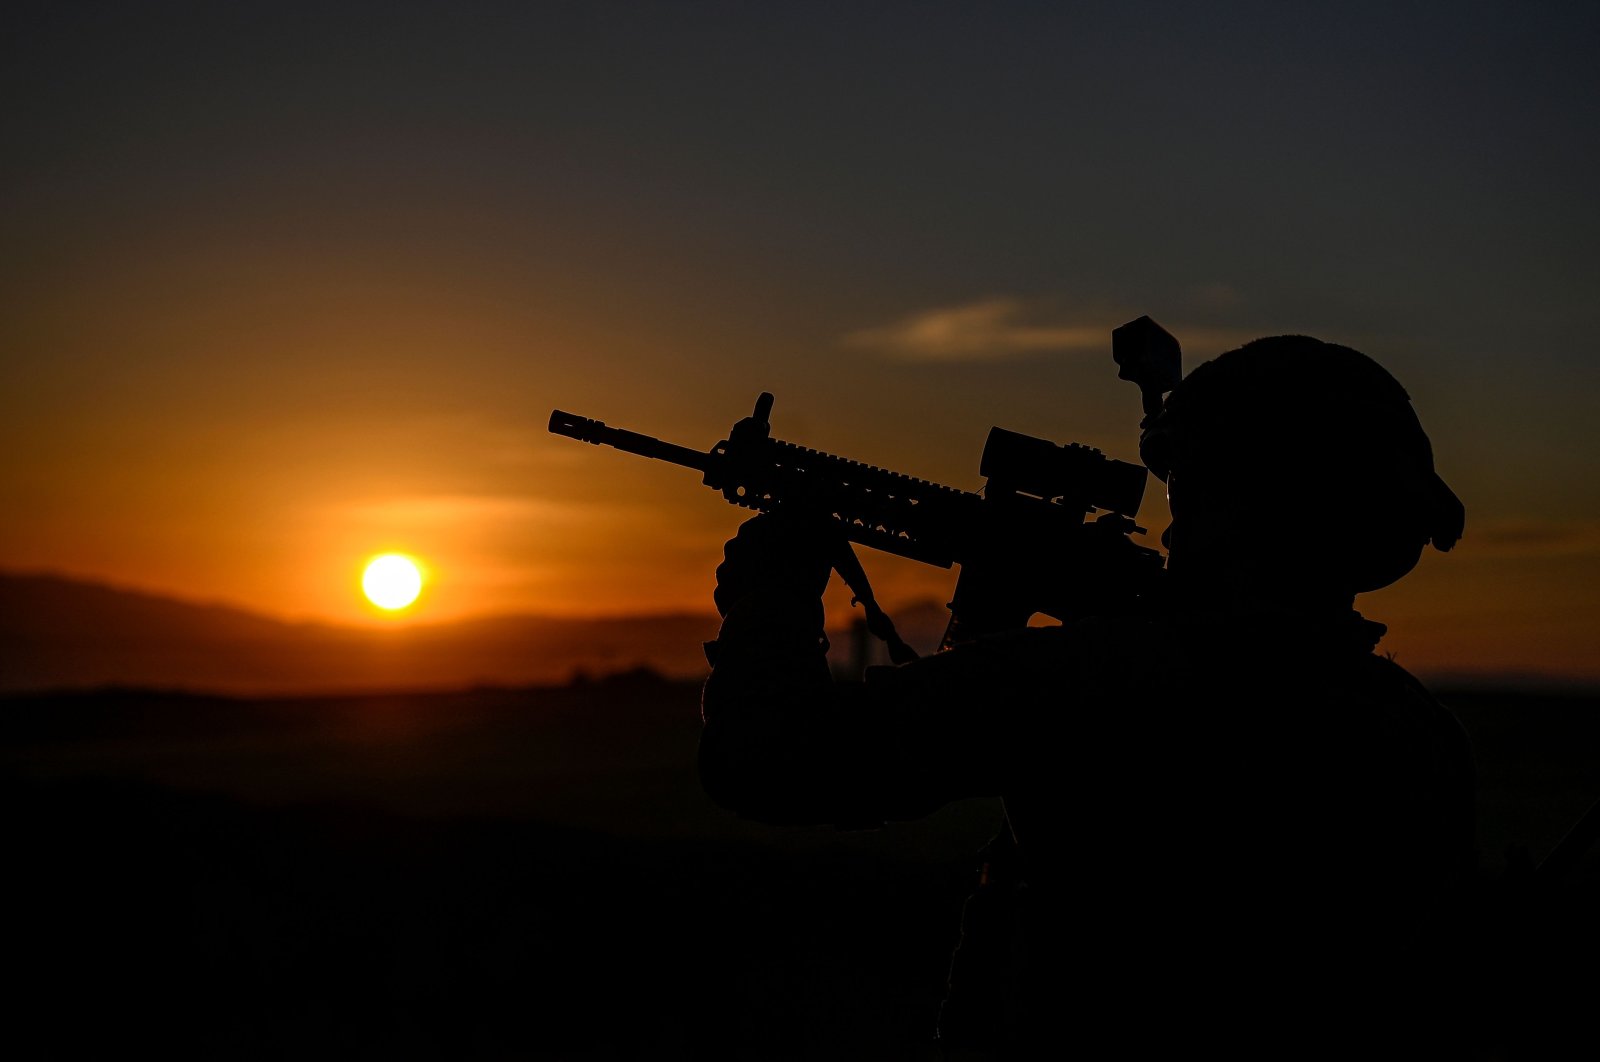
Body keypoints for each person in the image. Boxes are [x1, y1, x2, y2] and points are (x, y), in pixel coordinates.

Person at [699, 335, 1475, 1058]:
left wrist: (773, 587)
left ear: (1242, 501)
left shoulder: (1106, 679)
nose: (1170, 533)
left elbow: (772, 758)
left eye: (1190, 493)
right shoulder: (1416, 731)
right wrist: (992, 620)